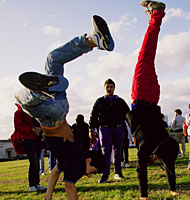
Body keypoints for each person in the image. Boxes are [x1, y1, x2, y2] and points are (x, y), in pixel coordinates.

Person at [15, 15, 114, 200]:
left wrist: (48, 196)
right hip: (50, 116)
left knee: (53, 59)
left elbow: (54, 172)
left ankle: (92, 40)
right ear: (89, 160)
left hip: (60, 107)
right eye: (94, 170)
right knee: (21, 98)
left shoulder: (71, 157)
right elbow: (69, 187)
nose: (91, 175)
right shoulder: (77, 165)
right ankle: (42, 90)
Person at [125, 1, 179, 199]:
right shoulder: (148, 146)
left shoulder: (164, 140)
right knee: (145, 55)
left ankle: (152, 16)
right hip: (140, 95)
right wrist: (143, 196)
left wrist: (173, 188)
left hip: (154, 95)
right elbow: (141, 170)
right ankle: (156, 14)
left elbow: (170, 164)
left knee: (149, 57)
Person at [89, 78, 130, 183]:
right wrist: (91, 129)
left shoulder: (120, 101)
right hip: (105, 129)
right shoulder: (100, 101)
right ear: (104, 88)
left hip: (118, 128)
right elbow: (93, 116)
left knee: (118, 151)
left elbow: (128, 115)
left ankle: (118, 173)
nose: (109, 89)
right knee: (105, 152)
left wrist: (133, 127)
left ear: (114, 88)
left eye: (111, 87)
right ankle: (105, 174)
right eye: (107, 87)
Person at [13, 103, 47, 192]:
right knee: (34, 161)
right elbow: (18, 126)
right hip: (27, 139)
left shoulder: (34, 112)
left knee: (37, 161)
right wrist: (32, 129)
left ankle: (37, 183)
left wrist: (41, 129)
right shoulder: (19, 113)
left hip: (37, 139)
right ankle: (32, 184)